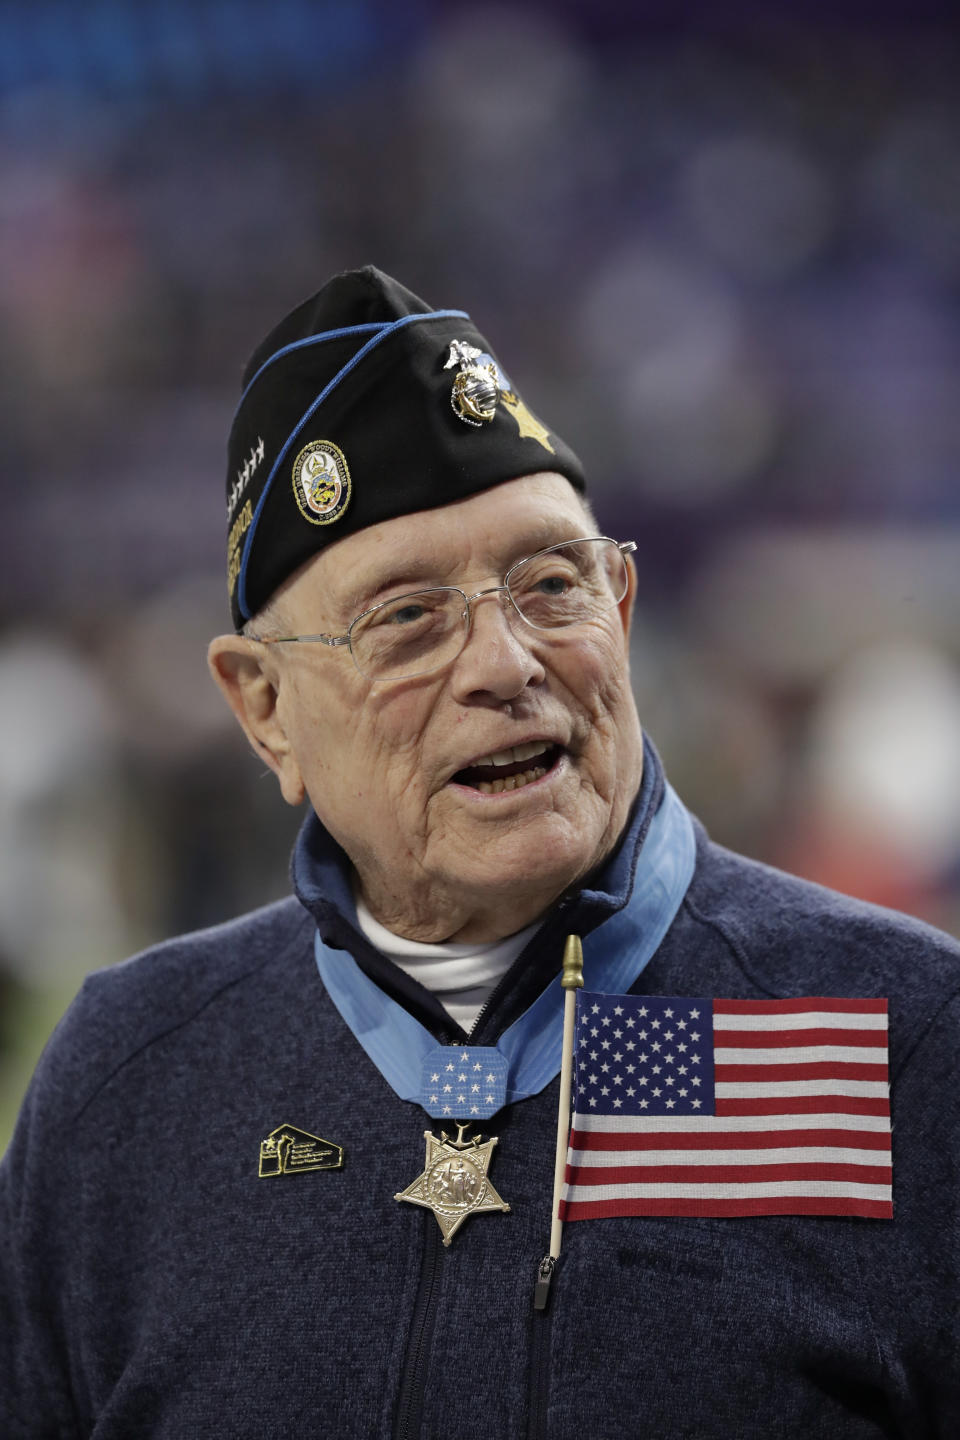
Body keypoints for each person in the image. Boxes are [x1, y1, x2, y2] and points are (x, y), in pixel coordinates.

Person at [1, 266, 958, 1439]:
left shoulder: (902, 1044)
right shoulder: (130, 1086)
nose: (505, 662)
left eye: (552, 584)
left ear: (626, 606)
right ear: (264, 711)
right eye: (407, 618)